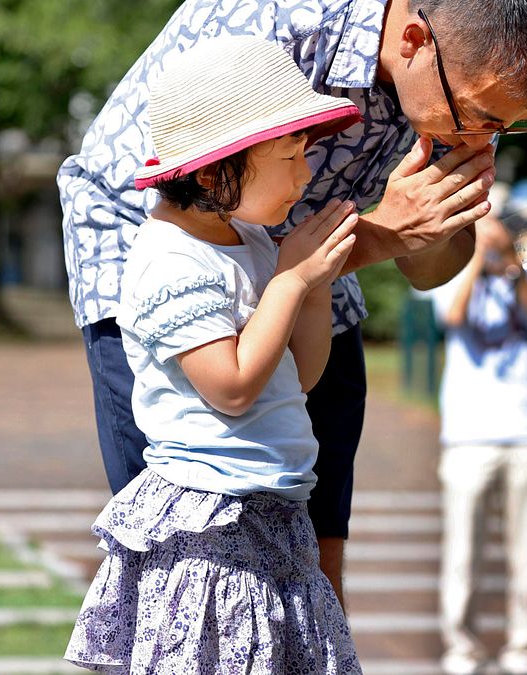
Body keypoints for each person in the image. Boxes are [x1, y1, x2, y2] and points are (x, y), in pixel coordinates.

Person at [59, 0, 527, 602]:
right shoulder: (276, 24)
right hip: (164, 240)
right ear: (413, 40)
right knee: (186, 563)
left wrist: (431, 222)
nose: (483, 138)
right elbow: (206, 203)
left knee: (313, 561)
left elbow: (424, 268)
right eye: (481, 115)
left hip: (310, 256)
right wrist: (381, 234)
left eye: (507, 126)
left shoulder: (449, 83)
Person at [65, 37, 363, 672]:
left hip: (273, 510)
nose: (304, 175)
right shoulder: (171, 258)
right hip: (212, 530)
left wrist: (310, 287)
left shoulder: (250, 240)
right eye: (288, 156)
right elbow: (230, 386)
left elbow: (297, 377)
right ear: (211, 169)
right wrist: (287, 281)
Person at [431, 209, 527, 675]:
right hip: (468, 434)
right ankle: (461, 646)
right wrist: (477, 258)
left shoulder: (523, 271)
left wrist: (512, 266)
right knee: (463, 549)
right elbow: (454, 315)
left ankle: (523, 646)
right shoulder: (446, 271)